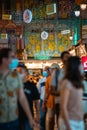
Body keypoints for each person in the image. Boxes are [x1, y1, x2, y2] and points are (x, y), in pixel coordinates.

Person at [0, 48, 38, 130]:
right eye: (12, 57)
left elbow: (22, 97)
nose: (15, 59)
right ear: (4, 59)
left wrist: (30, 117)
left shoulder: (15, 76)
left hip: (14, 119)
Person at [59, 56, 84, 130]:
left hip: (79, 121)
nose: (82, 67)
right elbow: (63, 106)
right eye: (80, 65)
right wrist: (68, 126)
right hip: (70, 121)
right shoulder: (67, 83)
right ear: (75, 67)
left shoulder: (79, 82)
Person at [50, 51, 70, 129]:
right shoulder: (57, 73)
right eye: (66, 57)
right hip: (60, 103)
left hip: (73, 103)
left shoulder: (74, 72)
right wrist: (63, 93)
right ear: (62, 59)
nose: (68, 59)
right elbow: (52, 90)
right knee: (61, 125)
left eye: (69, 57)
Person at [17, 64, 40, 130]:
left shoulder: (31, 86)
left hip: (28, 117)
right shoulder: (13, 85)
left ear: (26, 73)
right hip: (15, 118)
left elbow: (36, 101)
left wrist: (38, 115)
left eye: (20, 72)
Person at [42, 63, 60, 130]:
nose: (51, 70)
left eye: (52, 69)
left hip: (60, 103)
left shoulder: (62, 78)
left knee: (59, 121)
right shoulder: (49, 79)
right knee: (50, 120)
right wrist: (44, 103)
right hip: (50, 103)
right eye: (51, 69)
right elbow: (46, 92)